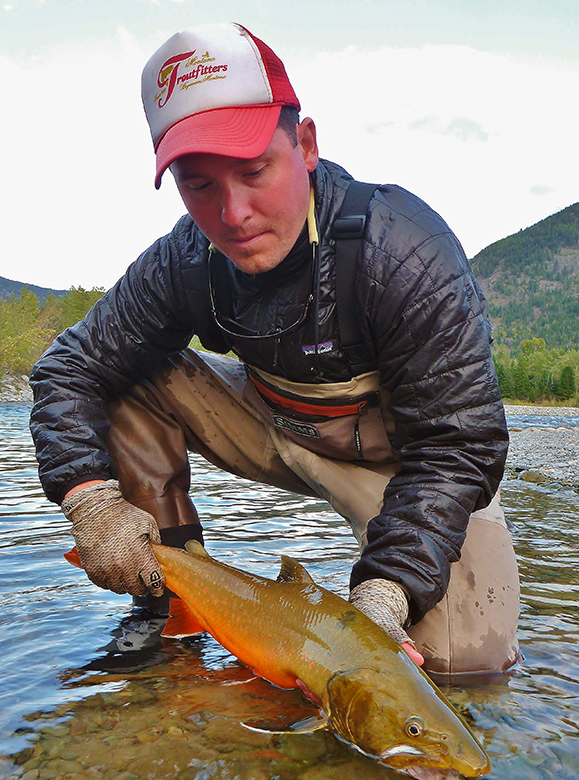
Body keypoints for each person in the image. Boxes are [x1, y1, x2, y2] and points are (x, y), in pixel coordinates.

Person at [30, 23, 520, 676]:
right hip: (273, 424)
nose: (233, 212)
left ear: (306, 145)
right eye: (199, 184)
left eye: (255, 169)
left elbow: (460, 446)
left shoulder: (403, 250)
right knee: (118, 371)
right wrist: (89, 501)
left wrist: (382, 593)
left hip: (411, 464)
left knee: (467, 665)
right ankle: (168, 603)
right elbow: (70, 368)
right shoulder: (184, 259)